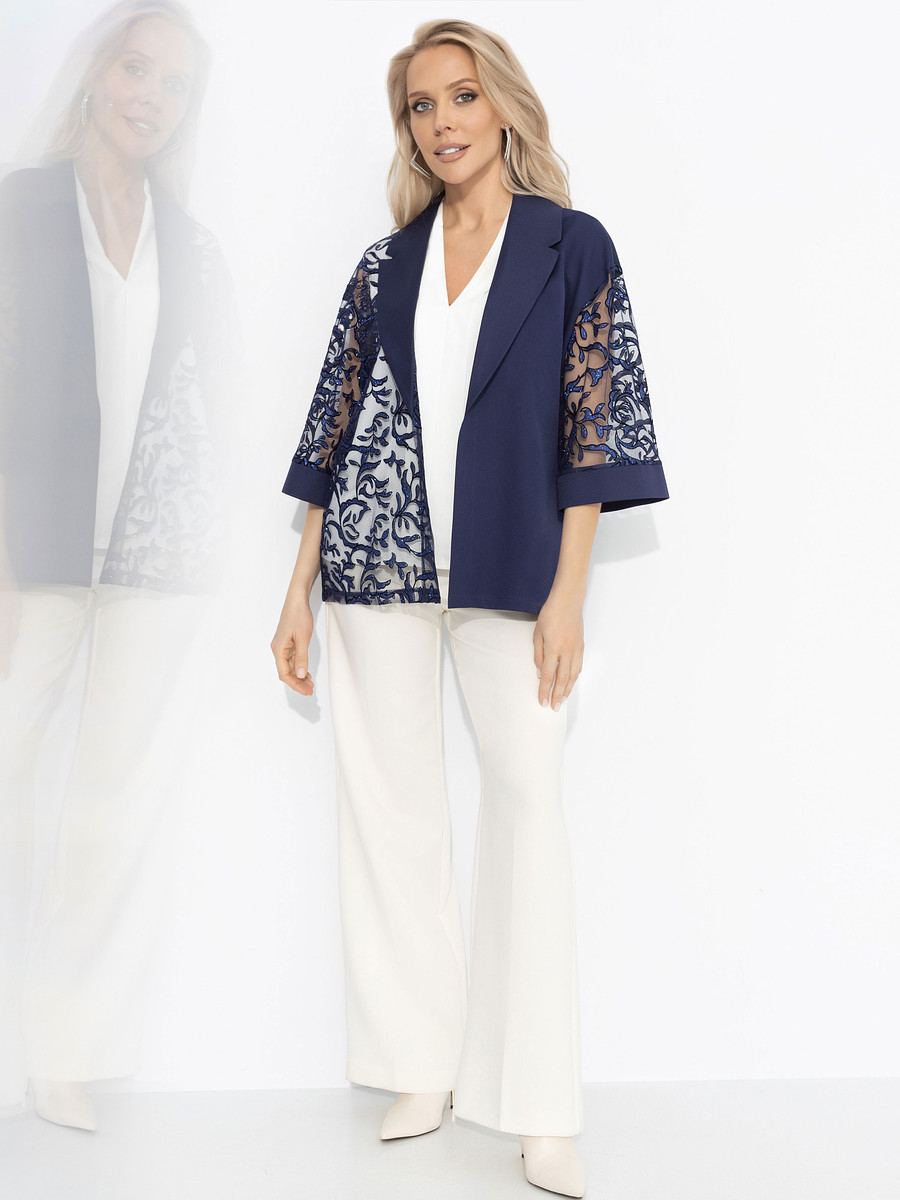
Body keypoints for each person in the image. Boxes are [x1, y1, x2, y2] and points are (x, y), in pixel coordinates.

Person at [272, 19, 668, 1197]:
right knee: (391, 815)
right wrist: (296, 586)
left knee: (526, 808)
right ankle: (417, 1065)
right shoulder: (382, 265)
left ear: (502, 107)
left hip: (515, 567)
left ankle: (540, 1107)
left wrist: (569, 595)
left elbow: (598, 422)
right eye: (421, 106)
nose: (442, 122)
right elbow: (331, 424)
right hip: (377, 567)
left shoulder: (570, 246)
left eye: (461, 97)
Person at [0, 0, 234, 1130]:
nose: (151, 95)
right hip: (26, 554)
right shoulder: (19, 209)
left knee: (107, 811)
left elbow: (209, 412)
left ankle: (66, 1054)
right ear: (96, 75)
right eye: (136, 68)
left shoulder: (193, 245)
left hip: (147, 566)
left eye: (175, 83)